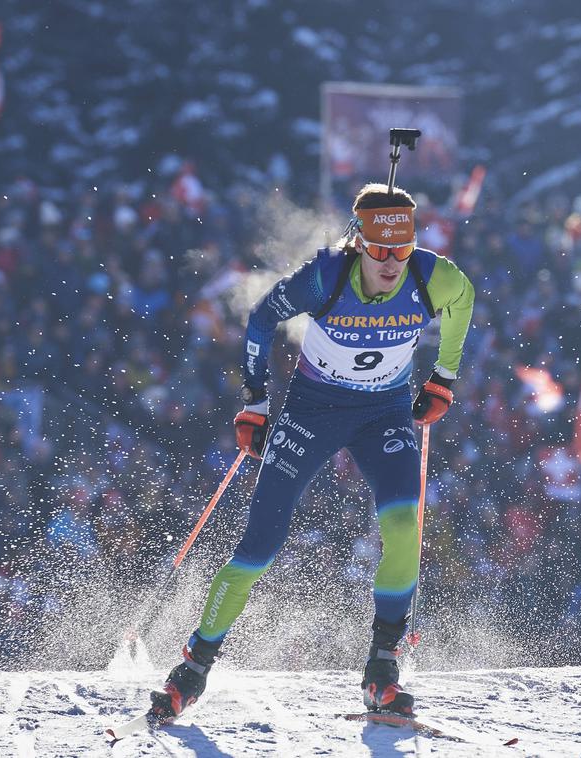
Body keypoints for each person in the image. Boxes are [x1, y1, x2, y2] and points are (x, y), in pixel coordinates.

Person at [148, 182, 476, 722]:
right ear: (359, 244)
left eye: (403, 248)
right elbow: (260, 318)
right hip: (312, 412)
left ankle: (383, 667)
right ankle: (193, 667)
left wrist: (444, 377)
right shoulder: (325, 276)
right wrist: (255, 402)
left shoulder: (431, 274)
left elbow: (463, 301)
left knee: (402, 527)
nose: (393, 263)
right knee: (260, 546)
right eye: (380, 251)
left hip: (384, 414)